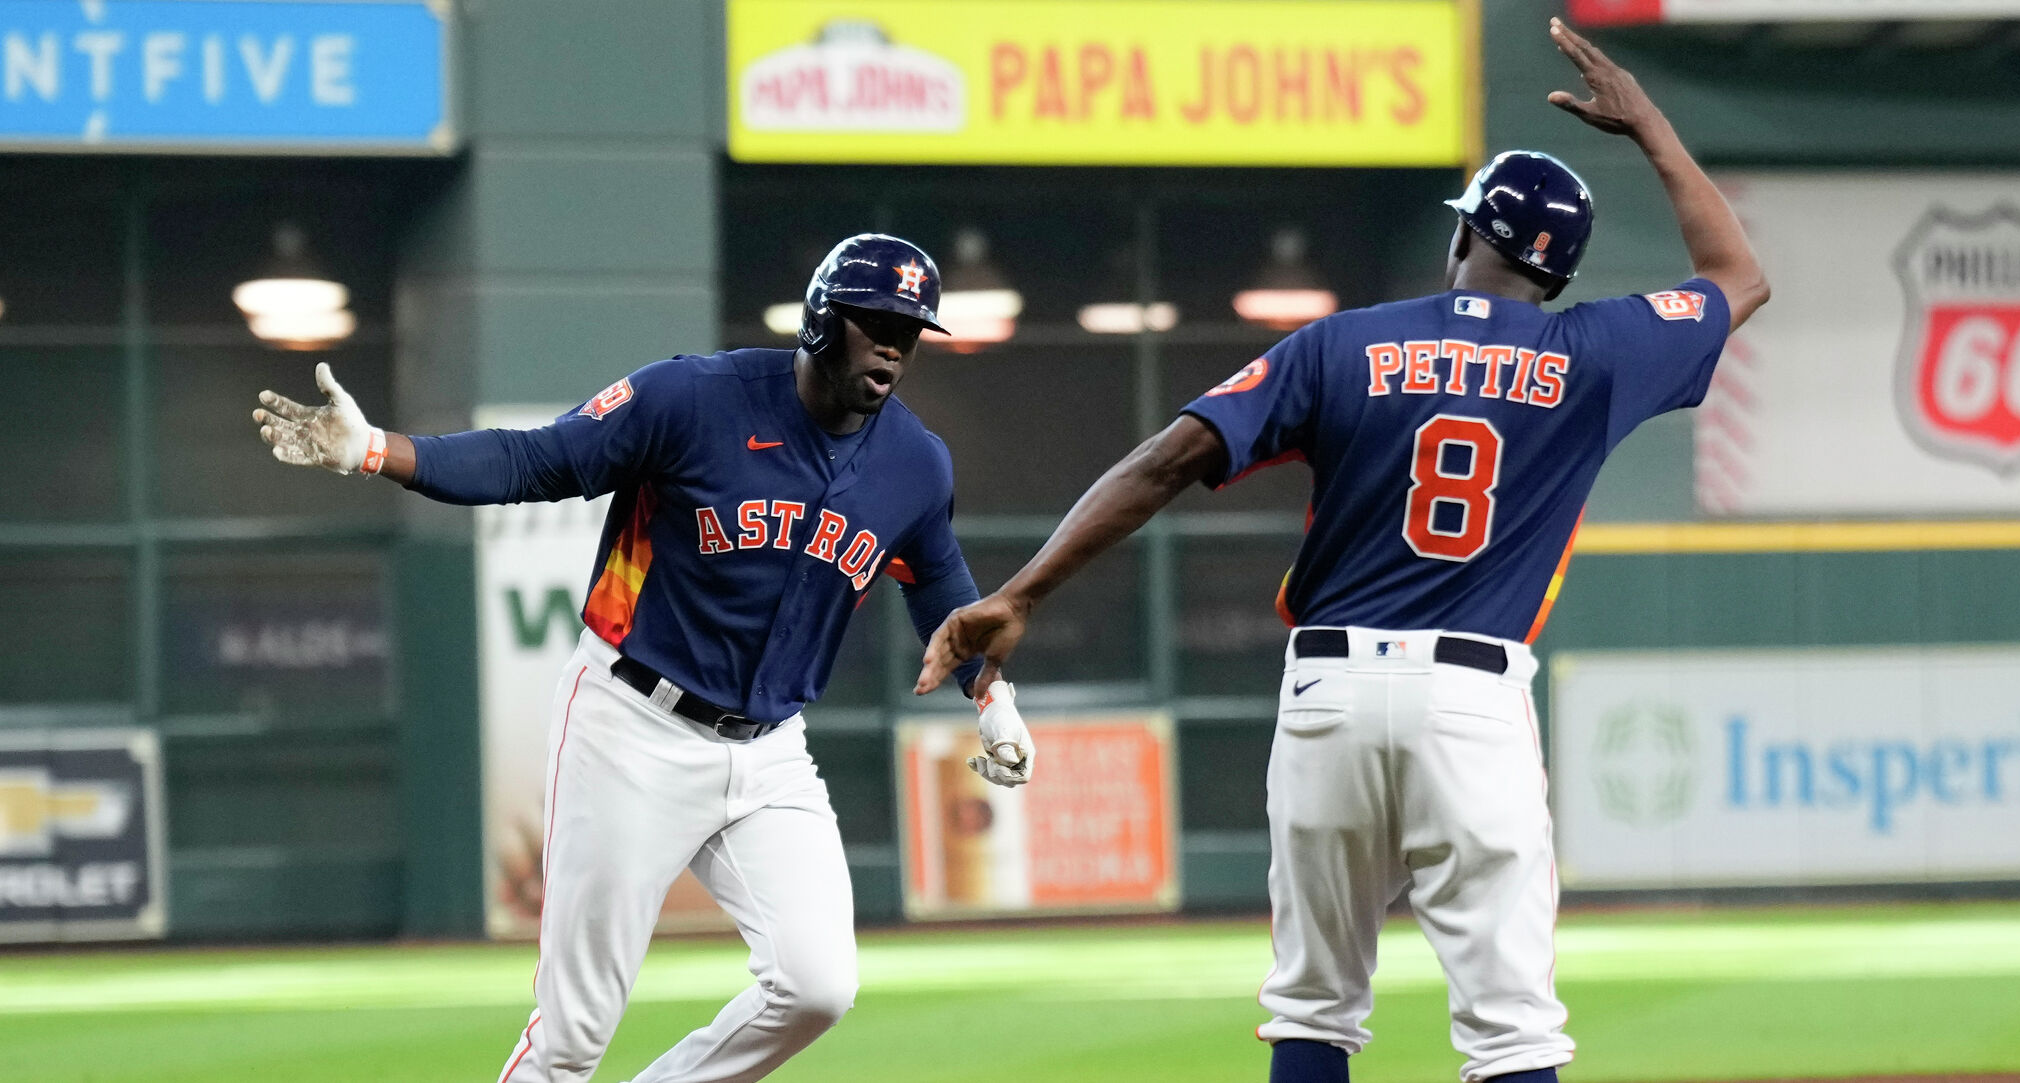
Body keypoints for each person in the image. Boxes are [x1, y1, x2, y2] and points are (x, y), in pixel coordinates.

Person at [915, 20, 1767, 1083]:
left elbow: (1165, 459)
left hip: (1329, 690)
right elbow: (1736, 275)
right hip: (1471, 701)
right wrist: (1646, 127)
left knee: (1312, 1008)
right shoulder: (1593, 353)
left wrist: (1024, 592)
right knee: (1511, 1030)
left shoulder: (1342, 342)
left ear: (1465, 238)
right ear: (1555, 273)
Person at [252, 234, 1036, 1083]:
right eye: (875, 321)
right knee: (572, 1036)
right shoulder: (693, 398)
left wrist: (992, 701)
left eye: (910, 330)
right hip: (630, 725)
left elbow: (944, 590)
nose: (894, 344)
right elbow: (536, 459)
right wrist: (376, 451)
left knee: (816, 986)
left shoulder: (914, 462)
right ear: (820, 318)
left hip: (770, 751)